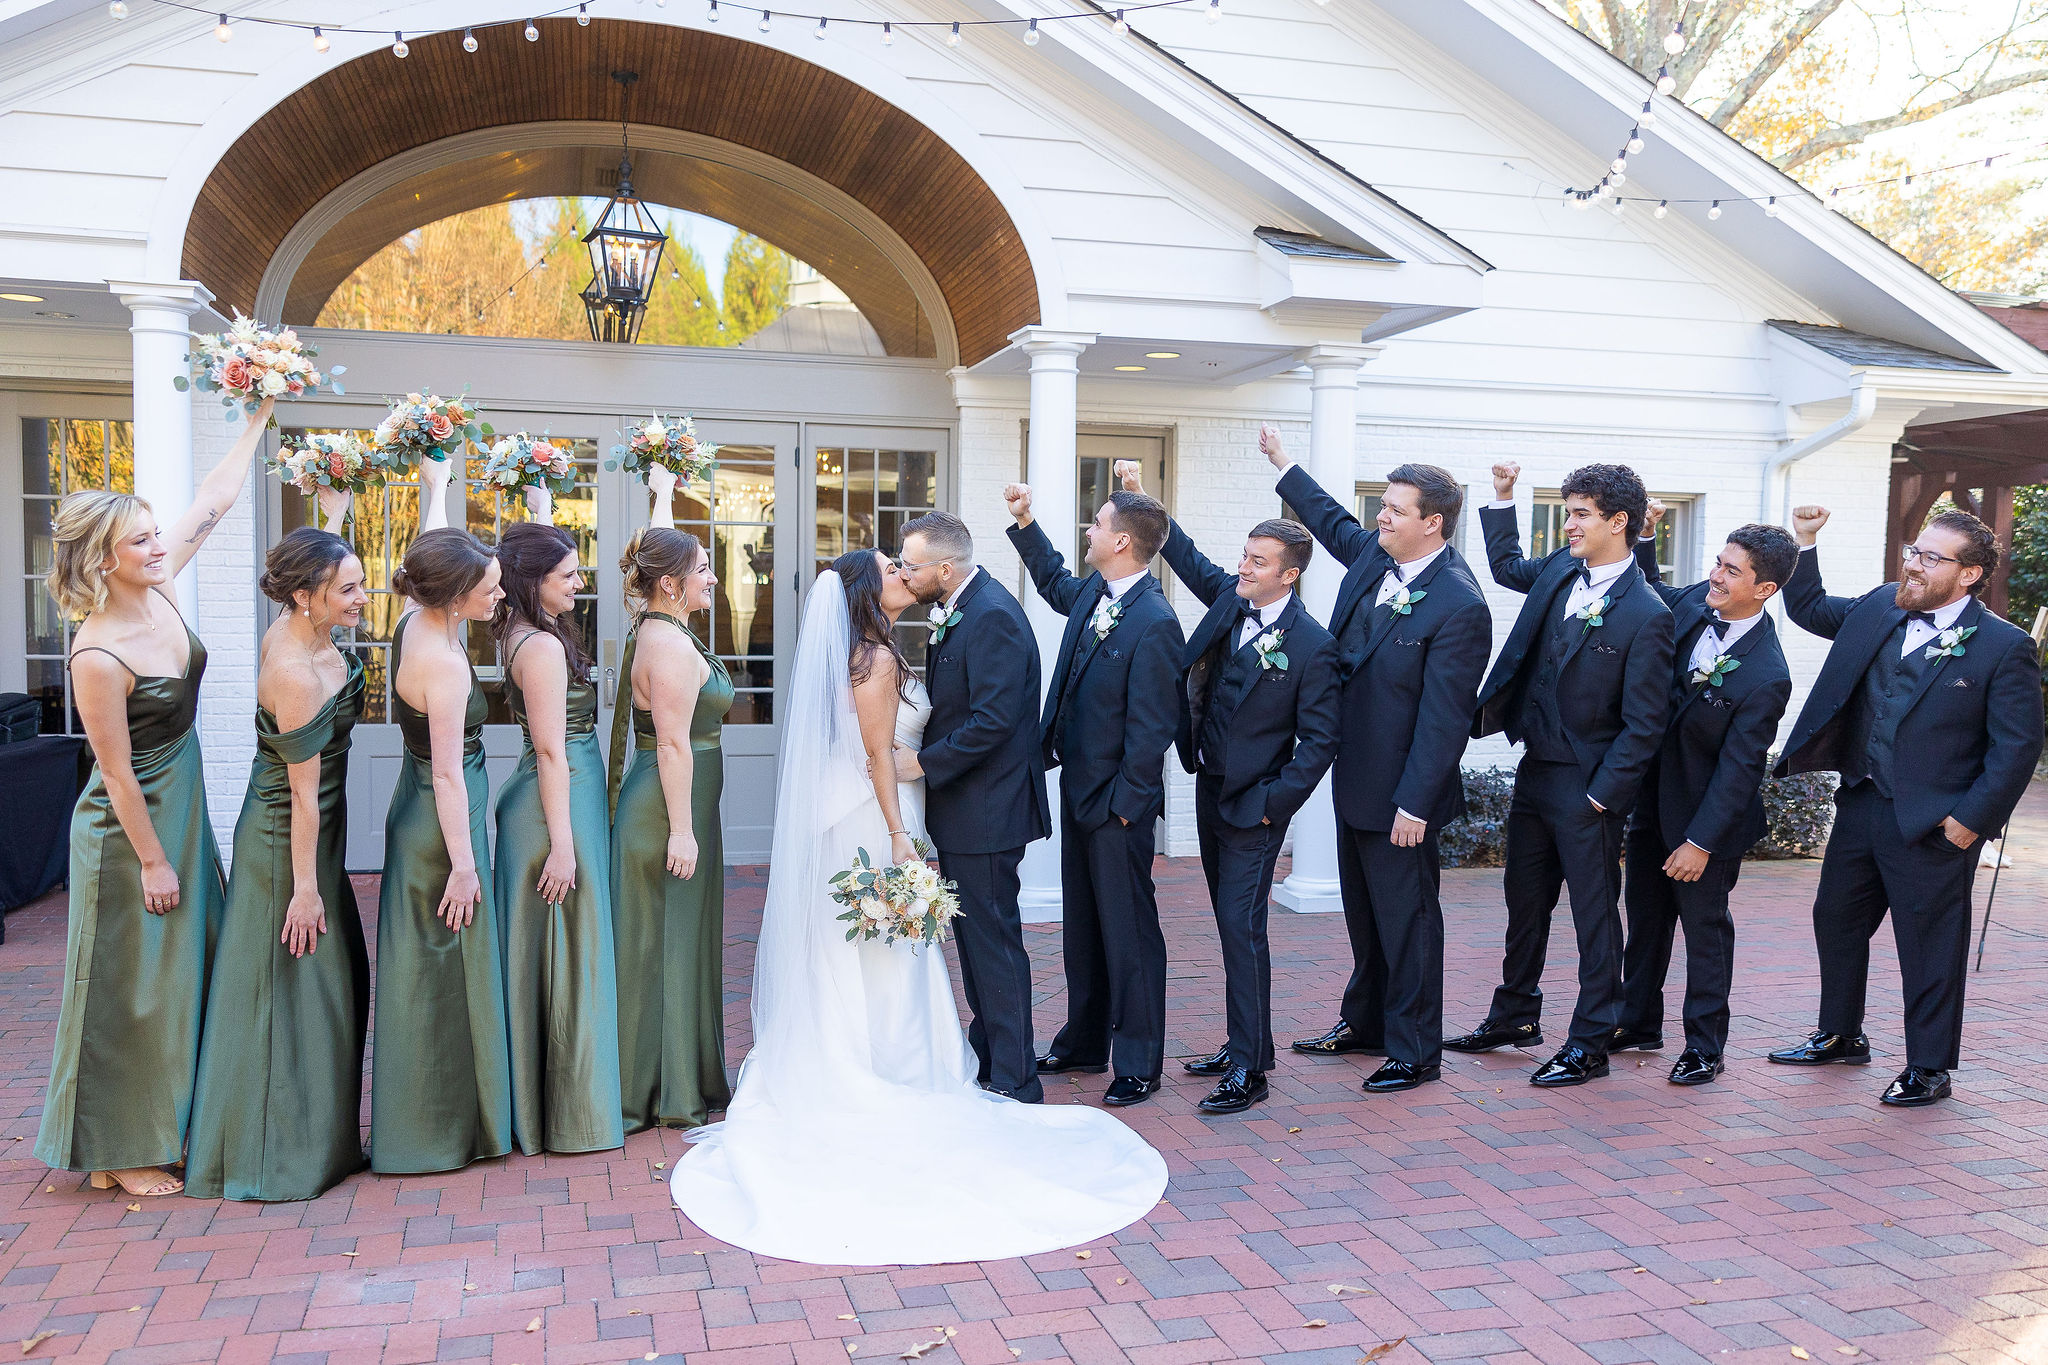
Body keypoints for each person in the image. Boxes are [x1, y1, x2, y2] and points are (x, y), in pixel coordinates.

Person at [668, 553, 1167, 1266]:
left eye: (907, 562)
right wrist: (901, 835)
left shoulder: (894, 643)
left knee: (893, 944)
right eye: (891, 568)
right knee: (884, 942)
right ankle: (889, 1063)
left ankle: (921, 1055)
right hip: (874, 817)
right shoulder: (871, 657)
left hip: (887, 811)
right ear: (873, 591)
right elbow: (877, 755)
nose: (903, 571)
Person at [34, 398, 272, 1198]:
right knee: (127, 986)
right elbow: (116, 771)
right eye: (141, 538)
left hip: (181, 804)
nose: (159, 543)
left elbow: (214, 500)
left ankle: (159, 1123)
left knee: (175, 974)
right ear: (106, 559)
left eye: (153, 532)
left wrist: (258, 414)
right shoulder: (96, 652)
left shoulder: (163, 588)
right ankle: (116, 1145)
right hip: (129, 828)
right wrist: (154, 861)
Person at [1766, 505, 2042, 1106]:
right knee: (1835, 919)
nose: (1912, 564)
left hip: (1936, 822)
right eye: (1913, 551)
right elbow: (1809, 608)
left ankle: (1929, 1067)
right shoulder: (1880, 607)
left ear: (1968, 575)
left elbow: (2016, 749)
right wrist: (1806, 542)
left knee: (1929, 942)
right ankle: (1840, 1034)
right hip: (1864, 799)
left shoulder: (2003, 647)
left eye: (1929, 557)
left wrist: (1970, 823)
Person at [1264, 431, 1491, 1094]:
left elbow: (1444, 719)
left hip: (1402, 796)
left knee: (1409, 921)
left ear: (1433, 523)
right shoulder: (1373, 558)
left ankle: (1415, 1049)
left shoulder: (1460, 603)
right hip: (1354, 776)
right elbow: (1331, 519)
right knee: (1365, 915)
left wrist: (1415, 803)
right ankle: (1365, 1022)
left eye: (1395, 509)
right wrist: (1286, 465)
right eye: (1383, 505)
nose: (1380, 517)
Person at [1115, 461, 1339, 1113]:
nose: (1244, 567)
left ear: (1289, 574)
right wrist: (1144, 501)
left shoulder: (1313, 647)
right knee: (1229, 924)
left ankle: (1249, 1069)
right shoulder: (1230, 601)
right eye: (1244, 555)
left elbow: (1320, 741)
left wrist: (1275, 805)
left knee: (1242, 930)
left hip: (1256, 809)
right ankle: (1251, 1043)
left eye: (1259, 561)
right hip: (1209, 791)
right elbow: (1182, 555)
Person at [1446, 461, 1673, 1087]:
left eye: (1579, 514)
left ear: (1618, 522)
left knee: (1594, 915)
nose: (1567, 524)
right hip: (1536, 769)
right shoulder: (1557, 573)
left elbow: (1645, 722)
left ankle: (1591, 1040)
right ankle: (1514, 1015)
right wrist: (1500, 499)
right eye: (1566, 511)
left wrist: (1603, 797)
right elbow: (1506, 570)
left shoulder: (1647, 613)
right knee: (1525, 902)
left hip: (1589, 787)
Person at [184, 528, 372, 1200]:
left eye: (357, 581)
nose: (360, 595)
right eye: (345, 587)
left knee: (331, 984)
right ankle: (271, 1153)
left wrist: (332, 507)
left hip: (319, 834)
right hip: (285, 839)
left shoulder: (314, 637)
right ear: (302, 595)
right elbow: (299, 796)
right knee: (285, 990)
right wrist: (304, 890)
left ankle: (322, 1137)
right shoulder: (291, 667)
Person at [1006, 485, 1185, 1106]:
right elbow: (1055, 581)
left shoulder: (1157, 623)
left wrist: (1127, 806)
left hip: (1118, 806)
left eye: (1097, 523)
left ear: (1122, 541)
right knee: (1083, 925)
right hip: (1078, 789)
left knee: (1129, 932)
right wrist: (1026, 522)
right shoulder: (1093, 594)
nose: (1089, 530)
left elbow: (1151, 730)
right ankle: (1084, 1039)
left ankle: (1138, 1059)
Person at [1615, 516, 1797, 1086]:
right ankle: (1637, 1022)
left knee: (1705, 933)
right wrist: (1644, 541)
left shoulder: (1767, 676)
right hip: (1652, 806)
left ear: (1764, 590)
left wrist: (1699, 844)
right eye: (1718, 563)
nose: (1715, 576)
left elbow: (1740, 773)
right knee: (1644, 921)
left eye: (1730, 570)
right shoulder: (1695, 606)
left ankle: (1703, 1046)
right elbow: (1650, 597)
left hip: (1707, 823)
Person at [370, 523, 514, 1173]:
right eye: (489, 585)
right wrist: (463, 864)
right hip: (440, 827)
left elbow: (431, 548)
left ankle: (422, 1122)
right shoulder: (447, 665)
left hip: (414, 807)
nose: (500, 592)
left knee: (421, 975)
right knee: (448, 975)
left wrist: (435, 482)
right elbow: (451, 774)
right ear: (455, 594)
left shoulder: (414, 622)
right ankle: (445, 1128)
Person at [894, 510, 1050, 1103]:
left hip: (988, 812)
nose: (906, 575)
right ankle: (993, 1062)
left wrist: (923, 764)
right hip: (968, 811)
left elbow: (994, 721)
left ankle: (1017, 1079)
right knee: (977, 943)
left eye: (911, 565)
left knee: (994, 944)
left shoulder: (992, 618)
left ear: (945, 567)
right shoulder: (966, 607)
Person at [493, 519, 624, 1156]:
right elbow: (549, 750)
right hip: (555, 803)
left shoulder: (531, 632)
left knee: (563, 951)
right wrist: (564, 845)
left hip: (564, 794)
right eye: (567, 575)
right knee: (565, 953)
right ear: (532, 582)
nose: (580, 582)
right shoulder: (540, 649)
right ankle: (569, 1115)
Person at [610, 462, 734, 1132]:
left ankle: (677, 1075)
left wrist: (663, 495)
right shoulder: (671, 647)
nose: (712, 576)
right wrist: (682, 830)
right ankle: (659, 1089)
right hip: (666, 812)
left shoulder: (661, 626)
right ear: (670, 583)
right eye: (704, 569)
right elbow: (672, 746)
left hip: (676, 806)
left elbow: (661, 550)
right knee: (663, 945)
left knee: (672, 944)